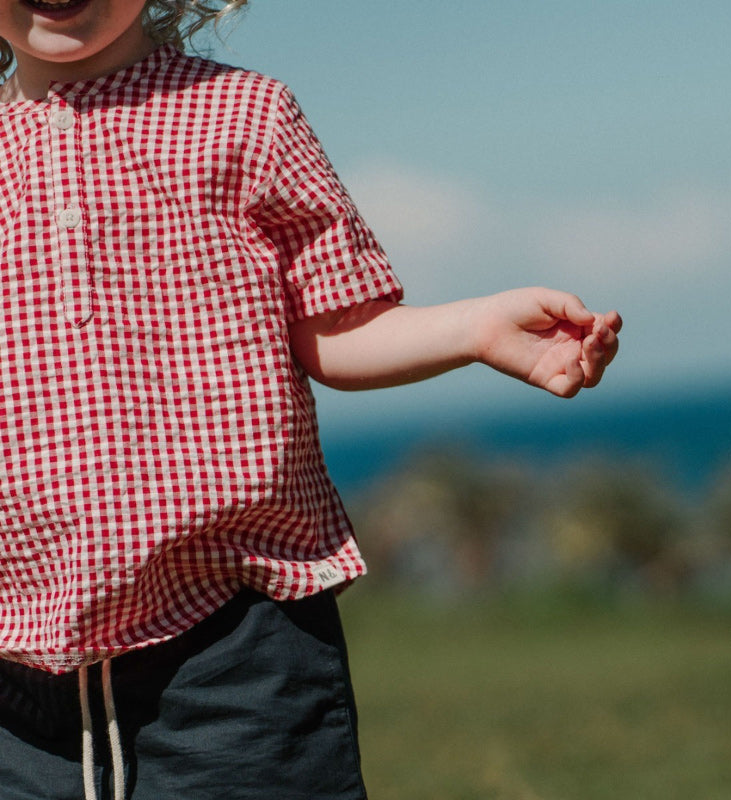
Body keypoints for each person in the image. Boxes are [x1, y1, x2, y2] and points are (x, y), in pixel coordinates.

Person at [0, 1, 621, 798]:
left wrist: (477, 328)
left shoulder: (243, 115)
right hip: (18, 676)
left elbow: (335, 326)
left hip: (233, 653)